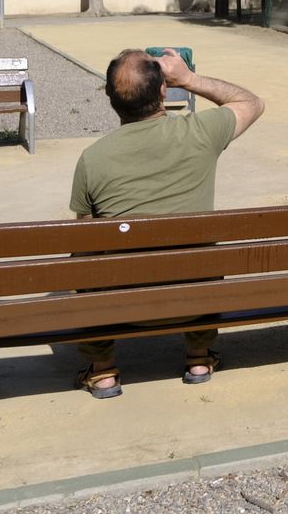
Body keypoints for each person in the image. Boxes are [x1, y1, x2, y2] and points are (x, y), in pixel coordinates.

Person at [69, 49, 266, 399]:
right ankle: (199, 358)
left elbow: (85, 239)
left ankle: (103, 372)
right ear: (163, 91)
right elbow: (251, 103)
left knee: (83, 264)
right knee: (205, 257)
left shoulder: (92, 159)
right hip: (191, 300)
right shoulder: (201, 132)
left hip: (124, 305)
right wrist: (188, 79)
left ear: (111, 100)